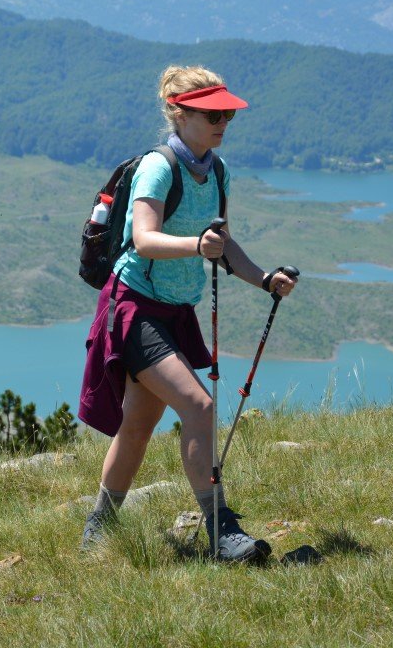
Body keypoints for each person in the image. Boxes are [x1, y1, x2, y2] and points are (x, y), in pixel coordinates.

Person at [78, 65, 297, 562]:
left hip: (173, 312)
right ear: (180, 114)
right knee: (198, 407)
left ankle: (99, 527)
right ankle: (221, 530)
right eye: (211, 113)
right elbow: (144, 239)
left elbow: (220, 243)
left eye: (227, 114)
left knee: (138, 424)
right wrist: (197, 246)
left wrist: (264, 279)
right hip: (132, 308)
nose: (223, 121)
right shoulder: (159, 168)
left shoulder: (215, 170)